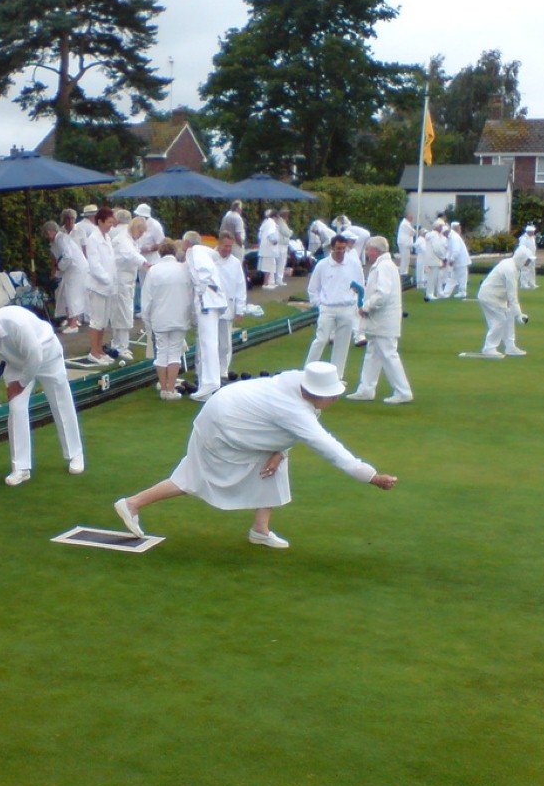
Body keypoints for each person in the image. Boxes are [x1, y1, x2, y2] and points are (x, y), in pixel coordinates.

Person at [113, 361, 397, 549]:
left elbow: (278, 425)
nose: (336, 398)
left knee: (275, 462)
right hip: (222, 426)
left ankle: (260, 530)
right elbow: (329, 448)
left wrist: (278, 450)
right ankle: (133, 503)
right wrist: (372, 477)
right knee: (195, 478)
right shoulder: (294, 408)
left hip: (237, 419)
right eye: (331, 394)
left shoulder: (298, 383)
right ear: (314, 392)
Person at [0, 306, 85, 487]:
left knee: (61, 402)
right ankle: (21, 467)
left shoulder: (15, 322)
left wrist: (20, 385)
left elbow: (35, 356)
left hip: (47, 354)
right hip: (16, 363)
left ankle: (75, 454)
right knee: (16, 408)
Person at [346, 237, 413, 404]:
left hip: (383, 320)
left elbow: (382, 294)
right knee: (373, 353)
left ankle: (403, 391)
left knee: (388, 354)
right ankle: (366, 390)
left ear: (375, 250)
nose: (367, 253)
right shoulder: (383, 266)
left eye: (368, 250)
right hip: (379, 321)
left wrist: (366, 307)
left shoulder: (384, 267)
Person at [304, 234, 364, 380]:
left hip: (347, 308)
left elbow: (361, 286)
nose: (341, 252)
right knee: (321, 339)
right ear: (332, 248)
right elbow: (313, 289)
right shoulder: (322, 265)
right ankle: (306, 373)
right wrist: (320, 305)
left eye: (343, 248)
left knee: (342, 344)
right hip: (328, 308)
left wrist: (356, 304)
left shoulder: (353, 264)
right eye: (338, 249)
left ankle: (337, 377)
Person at [140, 240, 192, 401]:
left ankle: (164, 388)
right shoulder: (184, 269)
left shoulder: (154, 271)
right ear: (174, 252)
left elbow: (146, 299)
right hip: (179, 317)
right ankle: (170, 389)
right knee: (175, 352)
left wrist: (147, 321)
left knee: (162, 352)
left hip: (159, 318)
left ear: (160, 253)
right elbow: (191, 294)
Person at [184, 230, 225, 401]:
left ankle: (210, 381)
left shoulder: (194, 252)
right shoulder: (204, 252)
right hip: (212, 300)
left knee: (208, 342)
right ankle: (208, 382)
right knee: (207, 341)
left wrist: (200, 292)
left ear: (187, 243)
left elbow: (205, 271)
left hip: (207, 301)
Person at [469, 248, 532, 358]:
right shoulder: (510, 269)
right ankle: (489, 348)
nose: (529, 262)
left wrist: (515, 312)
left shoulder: (514, 267)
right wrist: (519, 315)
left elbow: (509, 293)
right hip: (490, 296)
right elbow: (512, 295)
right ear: (521, 259)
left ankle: (510, 346)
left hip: (497, 296)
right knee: (500, 320)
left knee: (508, 316)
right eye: (528, 260)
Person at [84, 205, 119, 365]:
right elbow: (94, 264)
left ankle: (100, 350)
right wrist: (106, 279)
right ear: (100, 221)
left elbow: (110, 262)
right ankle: (94, 351)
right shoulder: (93, 239)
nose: (111, 226)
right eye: (109, 222)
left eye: (112, 223)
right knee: (96, 320)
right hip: (98, 286)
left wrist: (112, 281)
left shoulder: (107, 238)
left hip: (108, 287)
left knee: (104, 320)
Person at [108, 210, 145, 361]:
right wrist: (146, 263)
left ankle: (120, 343)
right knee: (122, 313)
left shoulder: (132, 239)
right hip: (120, 281)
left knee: (124, 312)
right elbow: (131, 255)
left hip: (127, 281)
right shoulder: (123, 239)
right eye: (140, 232)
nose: (141, 235)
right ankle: (121, 346)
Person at [214, 230, 247, 378]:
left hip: (227, 307)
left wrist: (240, 309)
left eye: (230, 246)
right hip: (210, 307)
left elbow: (240, 286)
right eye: (225, 246)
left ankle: (222, 370)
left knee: (225, 343)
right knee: (207, 341)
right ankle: (204, 370)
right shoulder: (209, 258)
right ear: (219, 243)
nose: (227, 249)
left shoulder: (235, 263)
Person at [49, 212, 86, 334]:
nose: (46, 236)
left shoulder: (60, 238)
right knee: (67, 293)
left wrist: (60, 267)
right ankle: (70, 321)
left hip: (75, 268)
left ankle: (74, 324)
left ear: (51, 231)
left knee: (72, 294)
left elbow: (68, 257)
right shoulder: (59, 238)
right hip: (73, 268)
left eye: (46, 233)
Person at [421, 220, 449, 301]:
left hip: (432, 259)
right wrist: (443, 257)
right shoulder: (435, 236)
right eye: (441, 227)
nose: (442, 228)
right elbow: (437, 248)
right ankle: (430, 294)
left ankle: (436, 292)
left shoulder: (434, 235)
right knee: (432, 277)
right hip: (434, 259)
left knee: (435, 277)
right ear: (438, 227)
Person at [444, 220, 472, 299]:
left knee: (457, 277)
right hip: (460, 261)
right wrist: (448, 259)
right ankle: (458, 291)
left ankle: (451, 292)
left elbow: (456, 250)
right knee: (457, 276)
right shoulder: (452, 237)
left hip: (460, 261)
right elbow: (450, 250)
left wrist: (452, 259)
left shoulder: (454, 237)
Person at [257, 209, 282, 288]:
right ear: (275, 217)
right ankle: (266, 283)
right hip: (269, 249)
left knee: (268, 266)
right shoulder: (272, 224)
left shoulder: (265, 222)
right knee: (268, 266)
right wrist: (275, 241)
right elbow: (271, 234)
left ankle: (268, 282)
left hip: (264, 248)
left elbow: (260, 235)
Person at [516, 225, 539, 289]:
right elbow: (522, 248)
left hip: (532, 256)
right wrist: (525, 257)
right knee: (525, 270)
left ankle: (532, 283)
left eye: (533, 231)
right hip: (525, 256)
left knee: (532, 270)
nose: (533, 232)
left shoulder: (532, 238)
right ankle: (523, 284)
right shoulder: (524, 238)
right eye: (532, 231)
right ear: (528, 231)